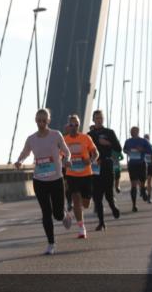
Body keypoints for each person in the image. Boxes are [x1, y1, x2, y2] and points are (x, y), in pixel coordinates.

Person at [15, 108, 71, 255]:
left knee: (57, 214)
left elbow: (66, 151)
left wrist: (67, 159)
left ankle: (64, 215)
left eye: (44, 121)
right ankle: (51, 244)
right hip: (39, 180)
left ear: (48, 121)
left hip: (56, 179)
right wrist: (19, 161)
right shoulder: (31, 139)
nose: (41, 123)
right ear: (35, 120)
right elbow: (25, 152)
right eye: (39, 120)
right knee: (46, 212)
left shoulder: (56, 135)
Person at [63, 114, 99, 238]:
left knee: (86, 203)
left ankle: (77, 212)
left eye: (76, 125)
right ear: (68, 125)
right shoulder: (64, 140)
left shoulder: (86, 138)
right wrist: (64, 162)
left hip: (86, 174)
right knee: (76, 199)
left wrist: (91, 160)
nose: (74, 127)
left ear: (79, 125)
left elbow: (96, 153)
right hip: (72, 174)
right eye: (71, 125)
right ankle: (81, 228)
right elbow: (58, 157)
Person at [87, 110, 122, 228]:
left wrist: (108, 143)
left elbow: (118, 148)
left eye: (100, 118)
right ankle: (101, 222)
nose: (99, 120)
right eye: (96, 118)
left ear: (103, 119)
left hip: (107, 164)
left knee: (108, 194)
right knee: (97, 196)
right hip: (95, 167)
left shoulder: (109, 132)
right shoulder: (89, 135)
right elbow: (85, 150)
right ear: (93, 119)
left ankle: (113, 207)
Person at [123, 126, 152, 212]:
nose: (132, 132)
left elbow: (150, 151)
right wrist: (127, 151)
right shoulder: (128, 141)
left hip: (141, 164)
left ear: (138, 132)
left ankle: (143, 191)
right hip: (132, 164)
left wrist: (142, 149)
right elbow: (124, 149)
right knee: (133, 185)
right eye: (131, 131)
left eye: (134, 131)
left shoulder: (143, 141)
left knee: (142, 183)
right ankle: (134, 205)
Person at [143, 133, 152, 203]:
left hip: (150, 165)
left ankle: (149, 196)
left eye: (147, 138)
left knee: (149, 181)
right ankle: (143, 189)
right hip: (142, 166)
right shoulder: (142, 147)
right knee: (143, 181)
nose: (146, 140)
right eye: (145, 138)